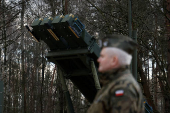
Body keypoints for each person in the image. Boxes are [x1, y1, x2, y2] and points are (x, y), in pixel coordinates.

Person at [87, 34, 145, 113]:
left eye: (102, 56)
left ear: (114, 60)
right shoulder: (112, 84)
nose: (99, 60)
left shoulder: (123, 88)